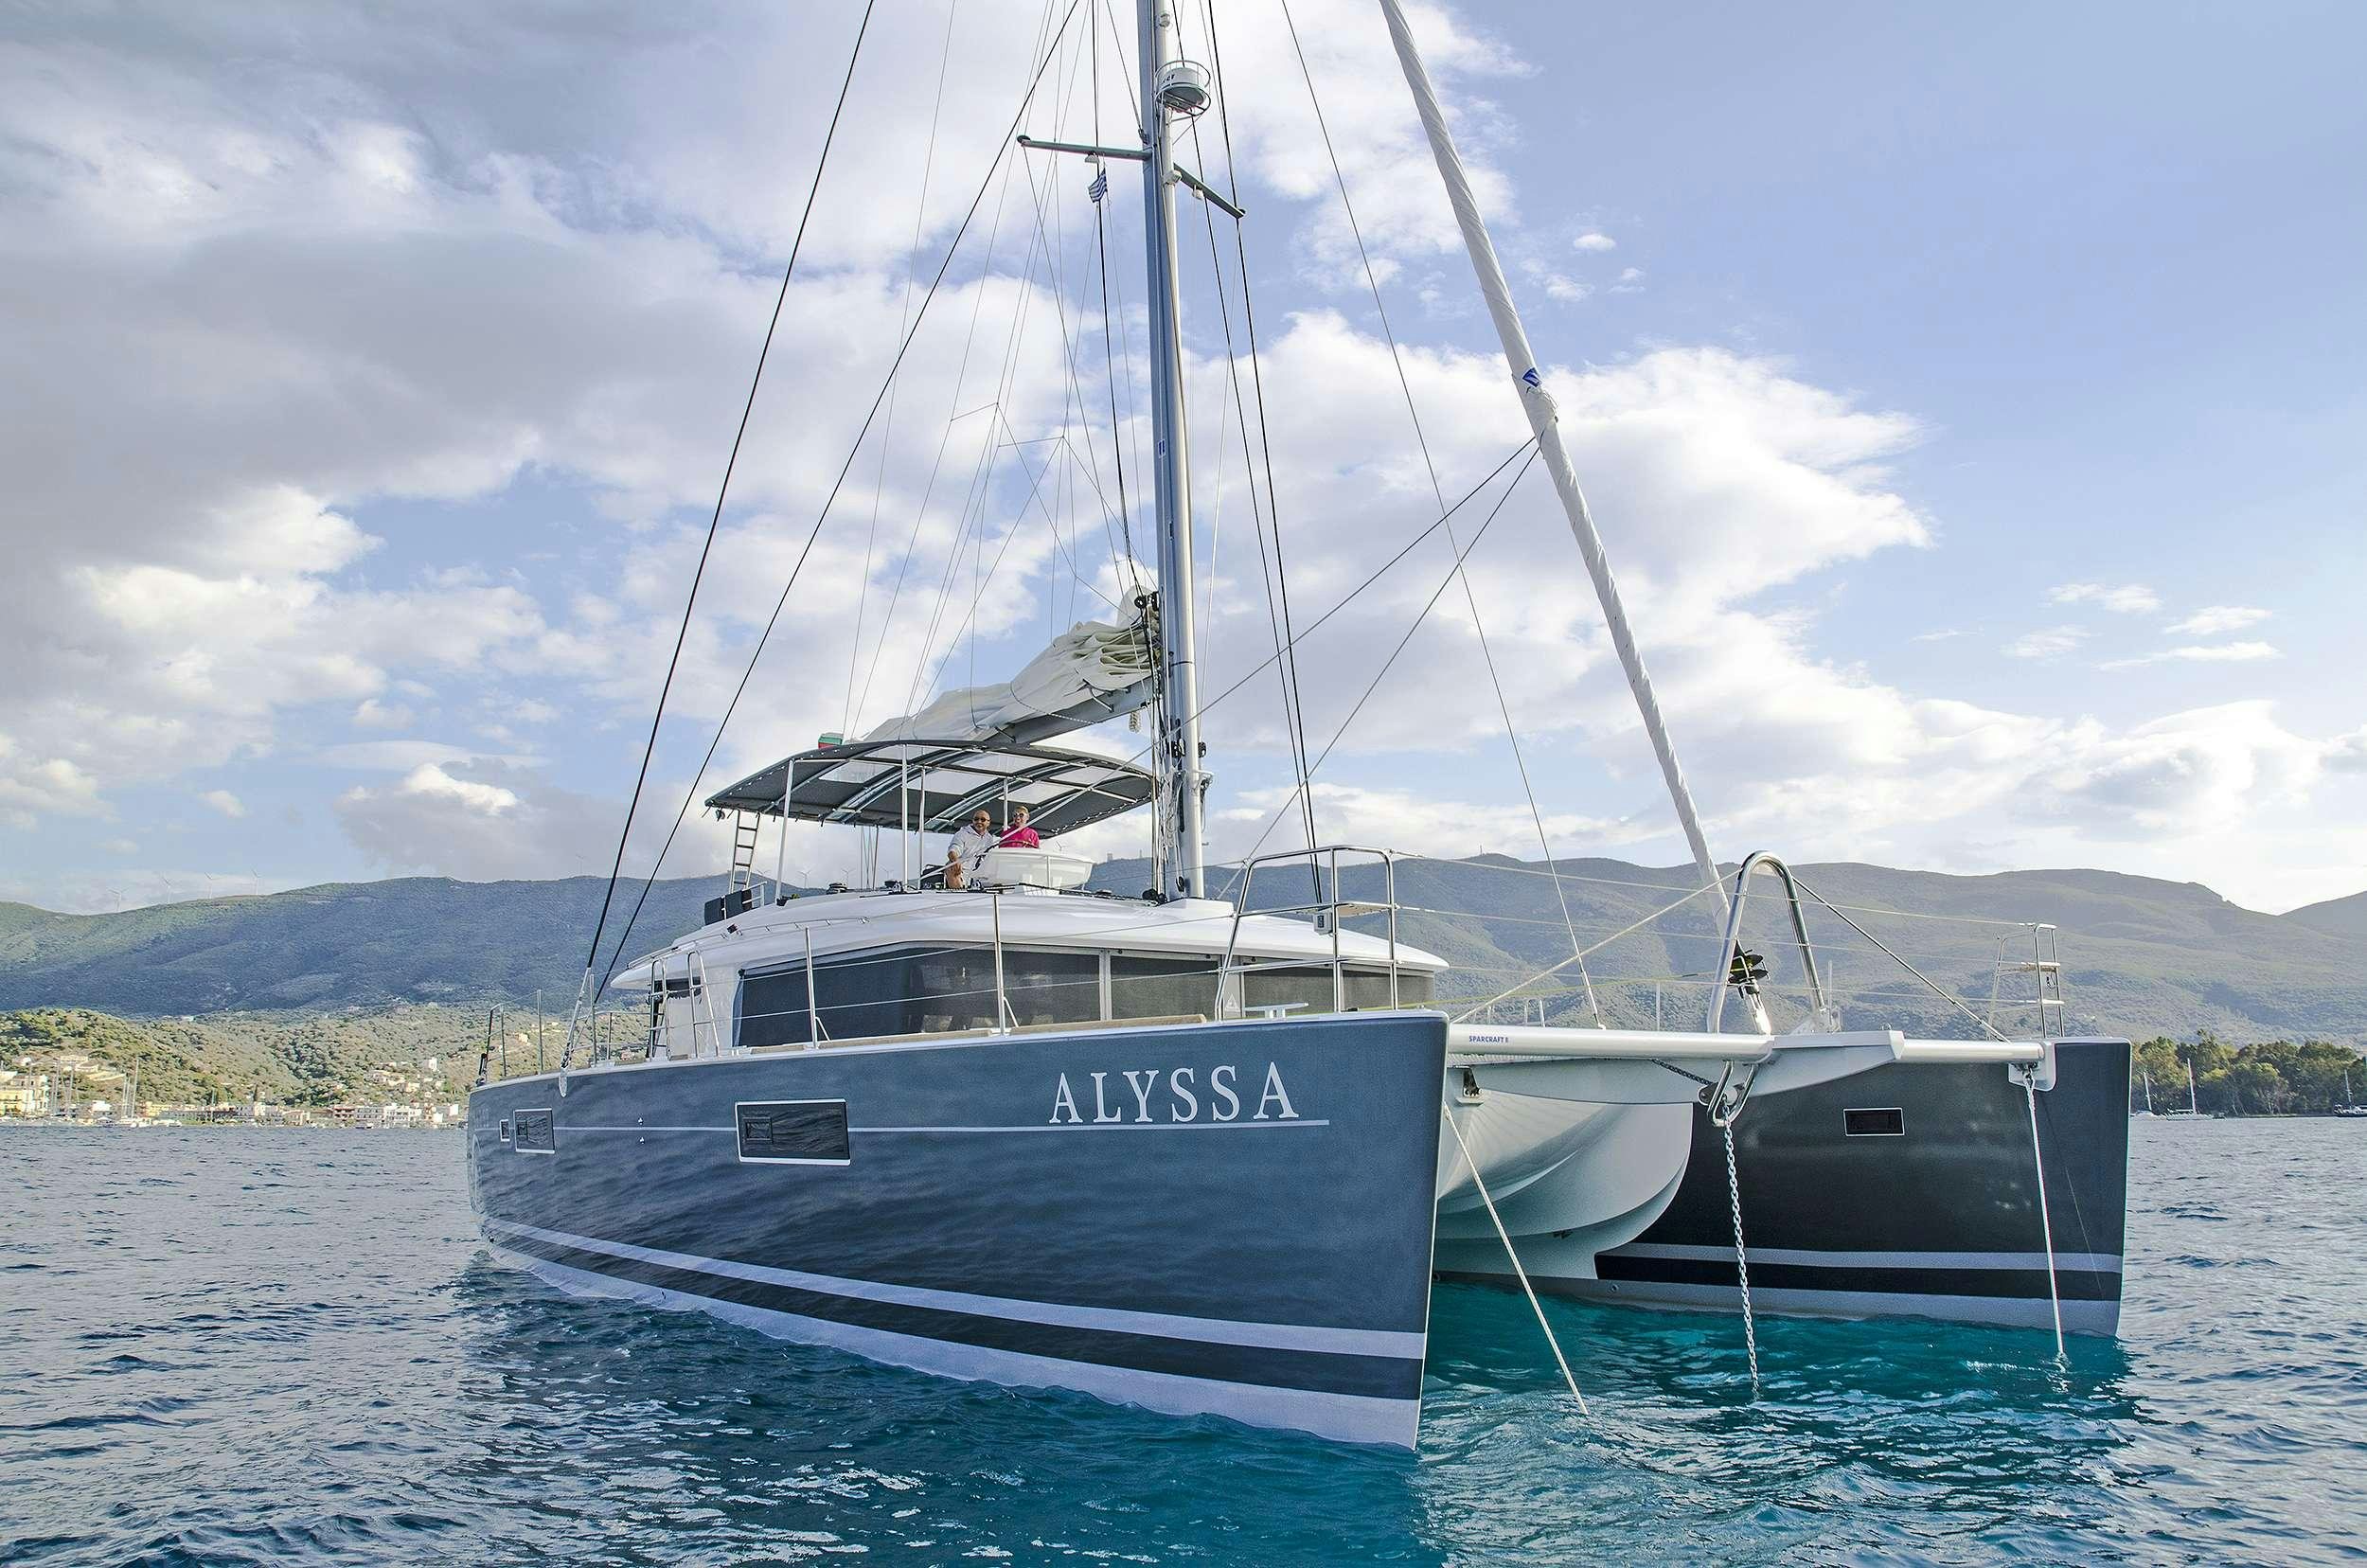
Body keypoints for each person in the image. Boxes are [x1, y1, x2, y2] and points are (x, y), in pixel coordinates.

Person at [945, 808, 997, 888]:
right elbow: (954, 848)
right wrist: (955, 860)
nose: (979, 822)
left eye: (982, 820)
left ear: (988, 823)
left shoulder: (989, 838)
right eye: (976, 819)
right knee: (950, 866)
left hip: (978, 873)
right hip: (960, 871)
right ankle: (958, 894)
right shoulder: (962, 834)